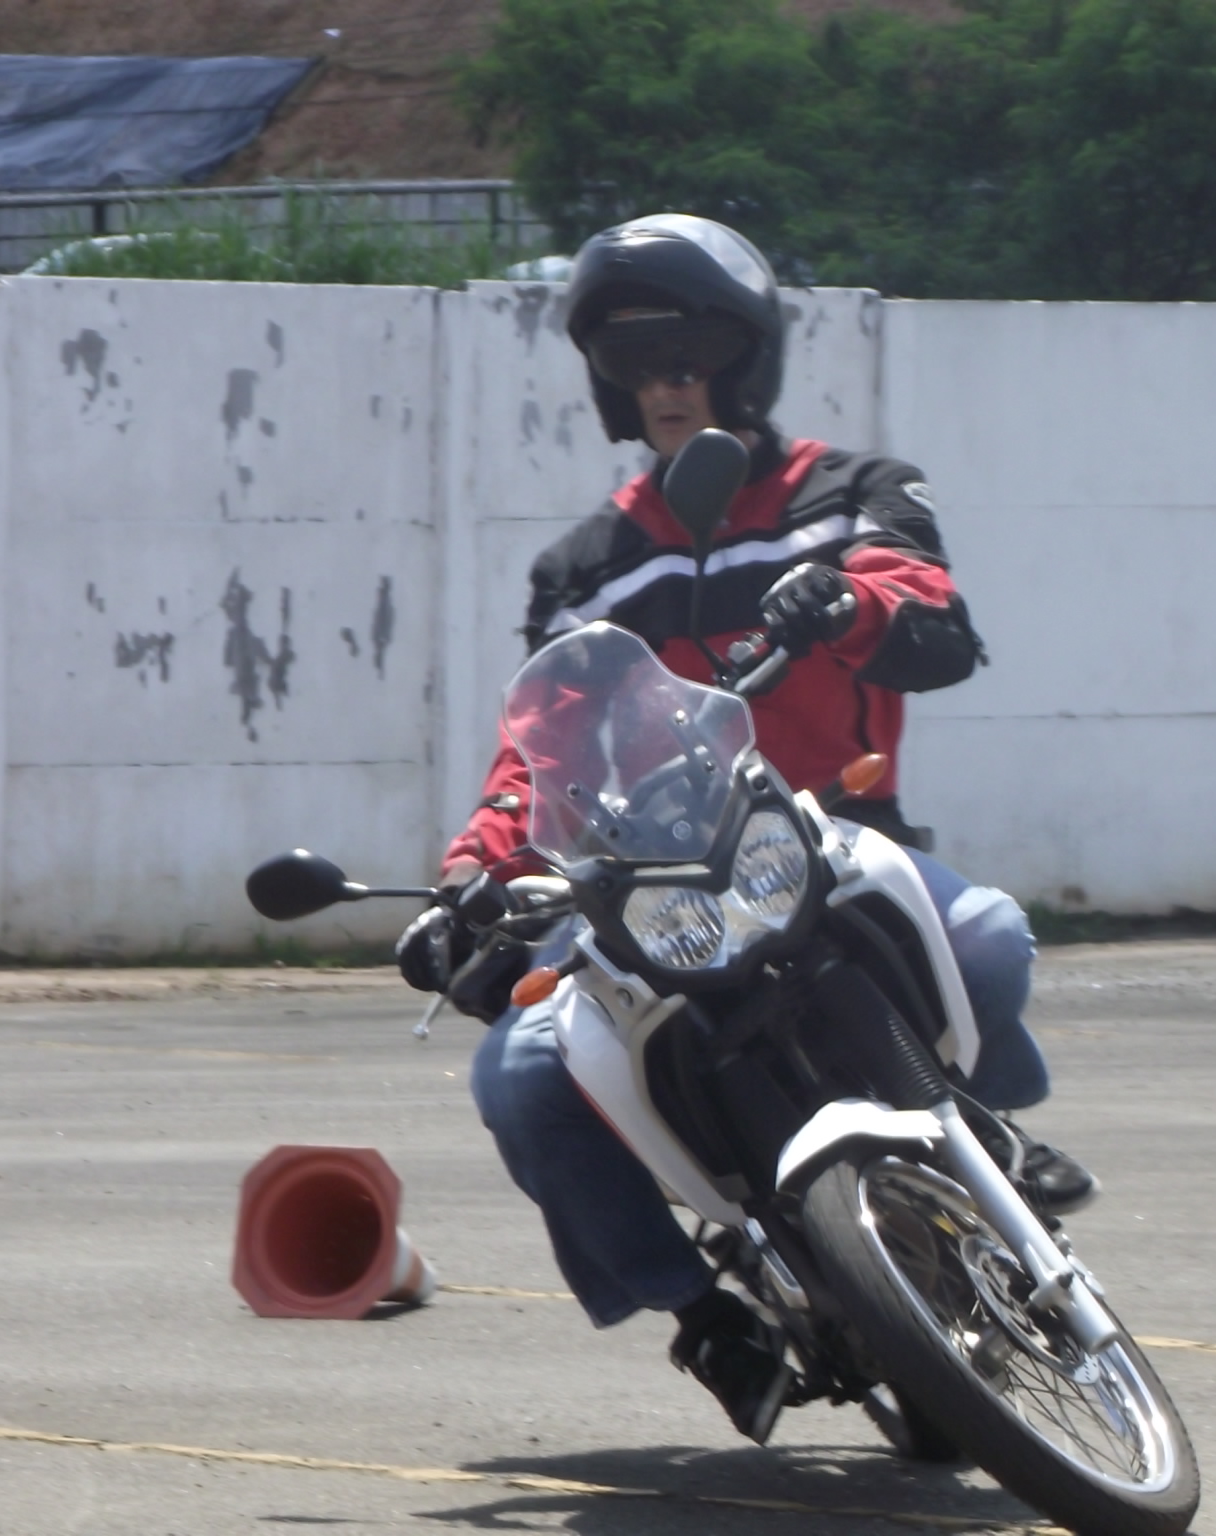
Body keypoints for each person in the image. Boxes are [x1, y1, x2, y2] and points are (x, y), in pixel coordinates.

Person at [398, 212, 1090, 1444]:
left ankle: (981, 1133)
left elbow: (930, 617)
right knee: (519, 1075)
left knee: (986, 937)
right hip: (646, 886)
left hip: (818, 835)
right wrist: (469, 876)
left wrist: (847, 605)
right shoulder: (584, 566)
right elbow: (536, 752)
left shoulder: (853, 492)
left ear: (745, 360)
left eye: (690, 357)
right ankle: (700, 1313)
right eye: (635, 364)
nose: (664, 386)